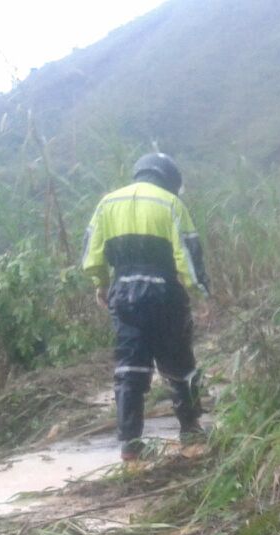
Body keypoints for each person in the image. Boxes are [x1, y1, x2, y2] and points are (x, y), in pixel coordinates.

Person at [82, 153, 211, 461]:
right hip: (165, 294)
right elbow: (188, 257)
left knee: (129, 368)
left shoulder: (107, 204)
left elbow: (92, 255)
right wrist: (201, 294)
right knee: (180, 365)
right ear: (168, 179)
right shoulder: (171, 204)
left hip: (125, 294)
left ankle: (130, 445)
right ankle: (191, 432)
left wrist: (100, 284)